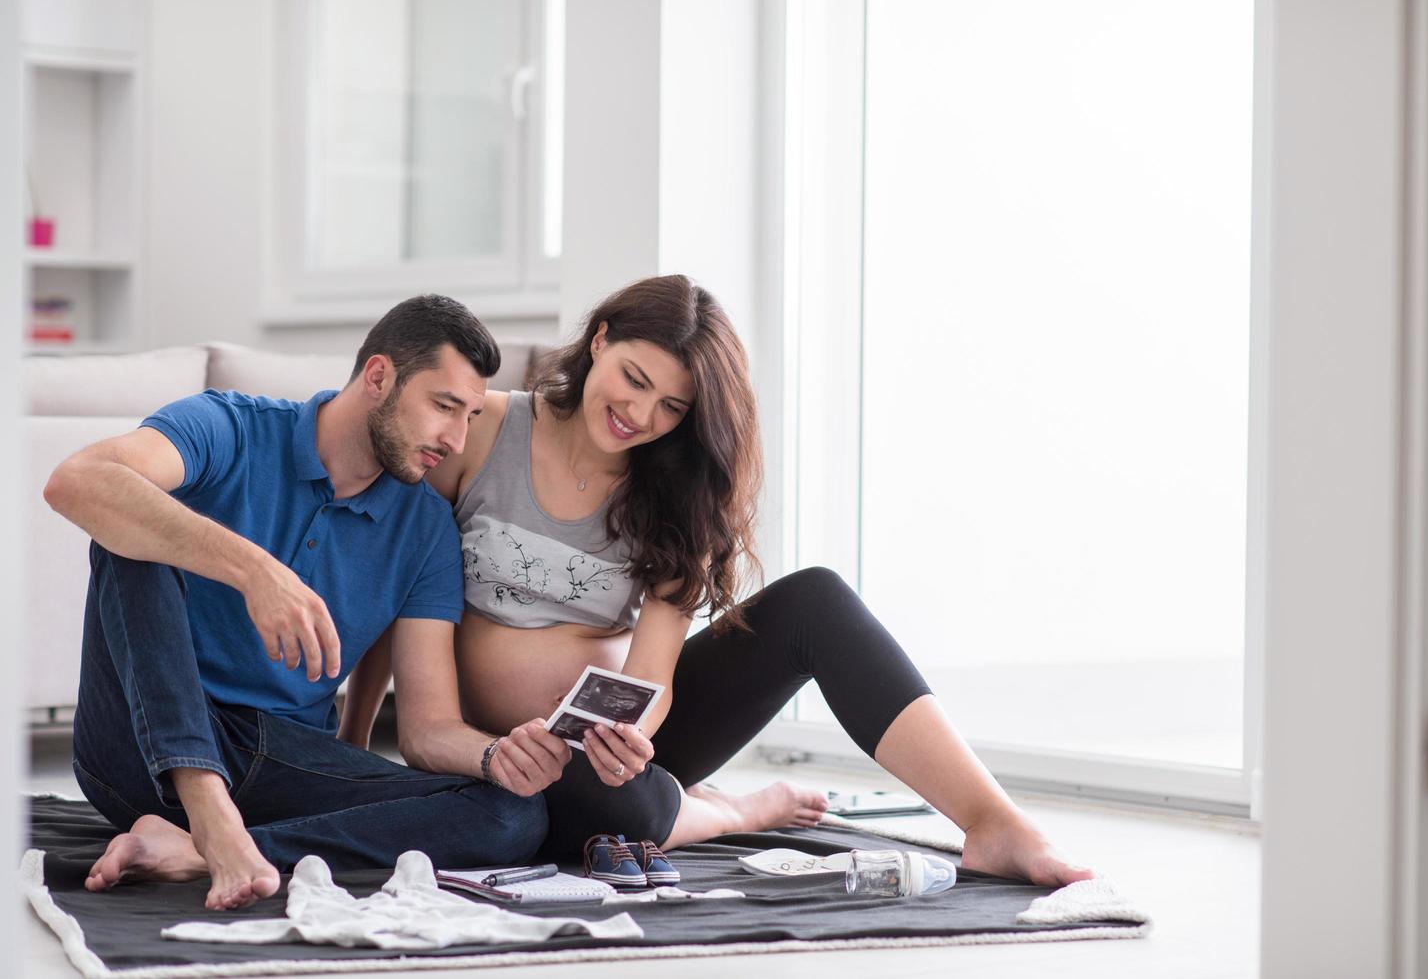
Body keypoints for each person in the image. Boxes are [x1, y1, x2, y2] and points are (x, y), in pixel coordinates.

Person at [342, 276, 1093, 887]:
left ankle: (993, 822)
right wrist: (352, 745)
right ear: (599, 340)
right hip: (506, 748)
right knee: (605, 809)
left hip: (619, 751)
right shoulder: (482, 431)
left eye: (673, 406)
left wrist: (633, 734)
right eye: (633, 380)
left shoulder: (673, 492)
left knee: (816, 601)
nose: (640, 414)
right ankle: (732, 813)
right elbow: (396, 588)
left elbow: (655, 673)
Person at [45, 295, 572, 911]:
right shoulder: (229, 427)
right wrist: (257, 572)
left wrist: (493, 754)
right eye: (444, 406)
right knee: (127, 523)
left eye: (470, 417)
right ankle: (208, 815)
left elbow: (427, 729)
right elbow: (75, 481)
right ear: (378, 376)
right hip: (139, 745)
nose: (455, 441)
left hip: (275, 756)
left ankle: (204, 848)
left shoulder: (427, 528)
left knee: (513, 816)